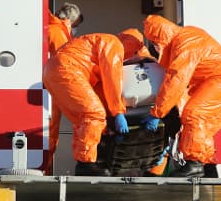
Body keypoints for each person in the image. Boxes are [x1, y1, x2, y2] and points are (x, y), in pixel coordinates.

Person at [141, 14, 221, 177]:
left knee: (194, 114)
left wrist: (157, 113)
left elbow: (177, 79)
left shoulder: (185, 42)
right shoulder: (184, 39)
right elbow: (177, 85)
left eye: (155, 42)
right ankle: (208, 168)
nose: (155, 47)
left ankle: (194, 165)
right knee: (201, 127)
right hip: (211, 81)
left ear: (161, 37)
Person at [42, 31, 145, 176]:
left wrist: (110, 117)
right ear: (132, 46)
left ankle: (86, 161)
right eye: (135, 52)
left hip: (56, 70)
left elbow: (101, 90)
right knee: (94, 114)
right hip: (67, 70)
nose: (133, 56)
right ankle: (86, 163)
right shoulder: (114, 45)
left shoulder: (101, 44)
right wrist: (118, 112)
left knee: (84, 120)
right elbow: (112, 81)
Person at [45, 2, 83, 173]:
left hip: (50, 85)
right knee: (50, 131)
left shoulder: (53, 28)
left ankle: (45, 166)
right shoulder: (58, 32)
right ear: (68, 20)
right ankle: (44, 167)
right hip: (53, 87)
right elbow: (63, 61)